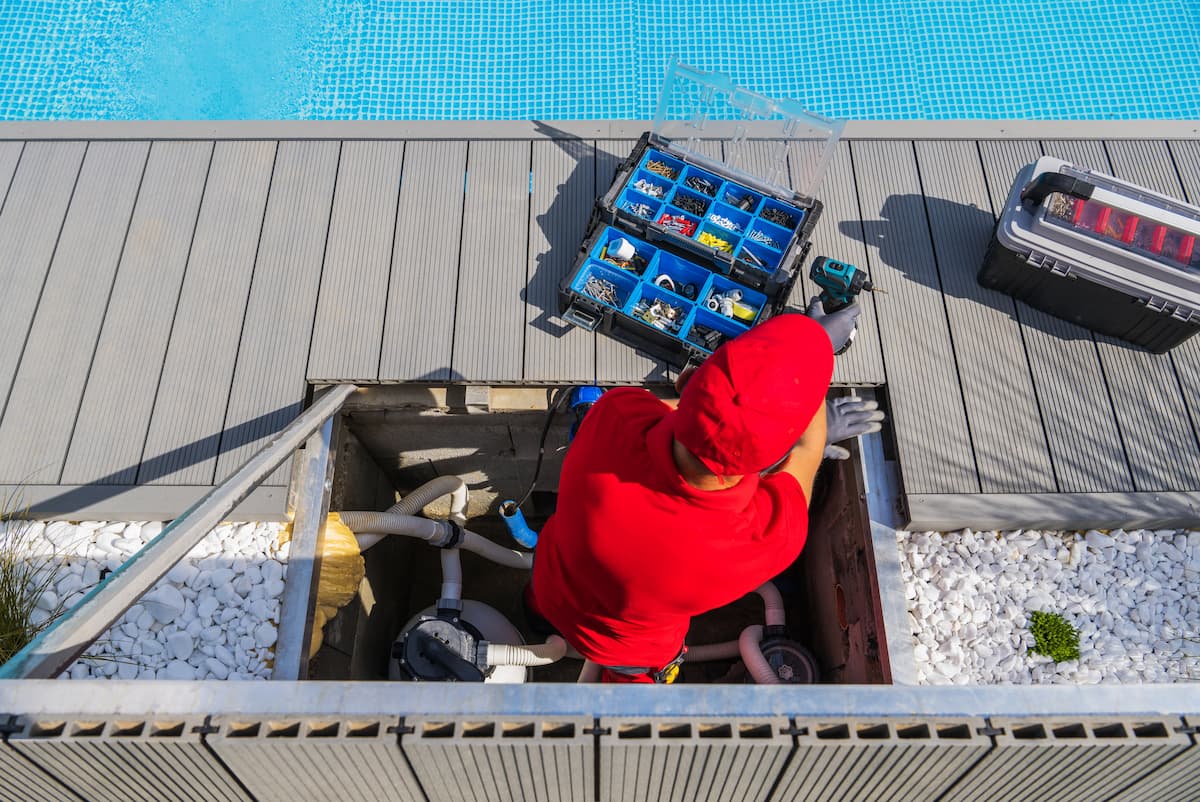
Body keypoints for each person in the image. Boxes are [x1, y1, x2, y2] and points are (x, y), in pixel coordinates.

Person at [526, 300, 884, 683]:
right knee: (634, 686)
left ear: (686, 380)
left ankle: (530, 619)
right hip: (630, 652)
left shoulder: (615, 415)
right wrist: (811, 359)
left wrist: (802, 344)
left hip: (550, 583)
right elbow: (805, 455)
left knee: (539, 606)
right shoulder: (760, 540)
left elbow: (704, 421)